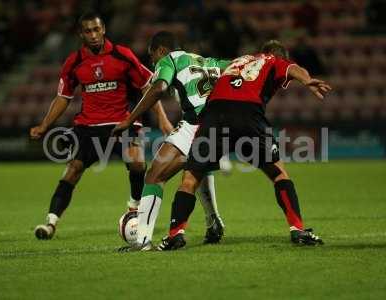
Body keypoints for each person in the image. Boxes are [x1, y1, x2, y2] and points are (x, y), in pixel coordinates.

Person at [155, 40, 331, 251]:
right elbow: (293, 68)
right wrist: (307, 79)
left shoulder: (238, 61)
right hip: (247, 113)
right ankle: (298, 230)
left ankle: (175, 235)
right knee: (279, 173)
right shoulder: (274, 60)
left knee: (191, 178)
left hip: (214, 112)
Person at [30, 12, 173, 240]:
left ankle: (134, 207)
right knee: (72, 171)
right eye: (88, 31)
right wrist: (45, 125)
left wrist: (163, 120)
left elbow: (148, 87)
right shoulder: (75, 62)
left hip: (121, 123)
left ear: (104, 29)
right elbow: (63, 96)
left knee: (137, 163)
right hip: (89, 126)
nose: (94, 35)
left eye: (97, 30)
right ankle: (50, 222)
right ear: (81, 34)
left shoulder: (122, 55)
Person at [112, 31, 231, 251]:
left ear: (161, 50)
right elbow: (237, 67)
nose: (153, 62)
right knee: (197, 170)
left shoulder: (169, 60)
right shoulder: (207, 61)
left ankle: (142, 241)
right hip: (223, 126)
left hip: (197, 123)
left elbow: (159, 88)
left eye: (152, 56)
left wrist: (130, 119)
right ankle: (213, 222)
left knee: (154, 176)